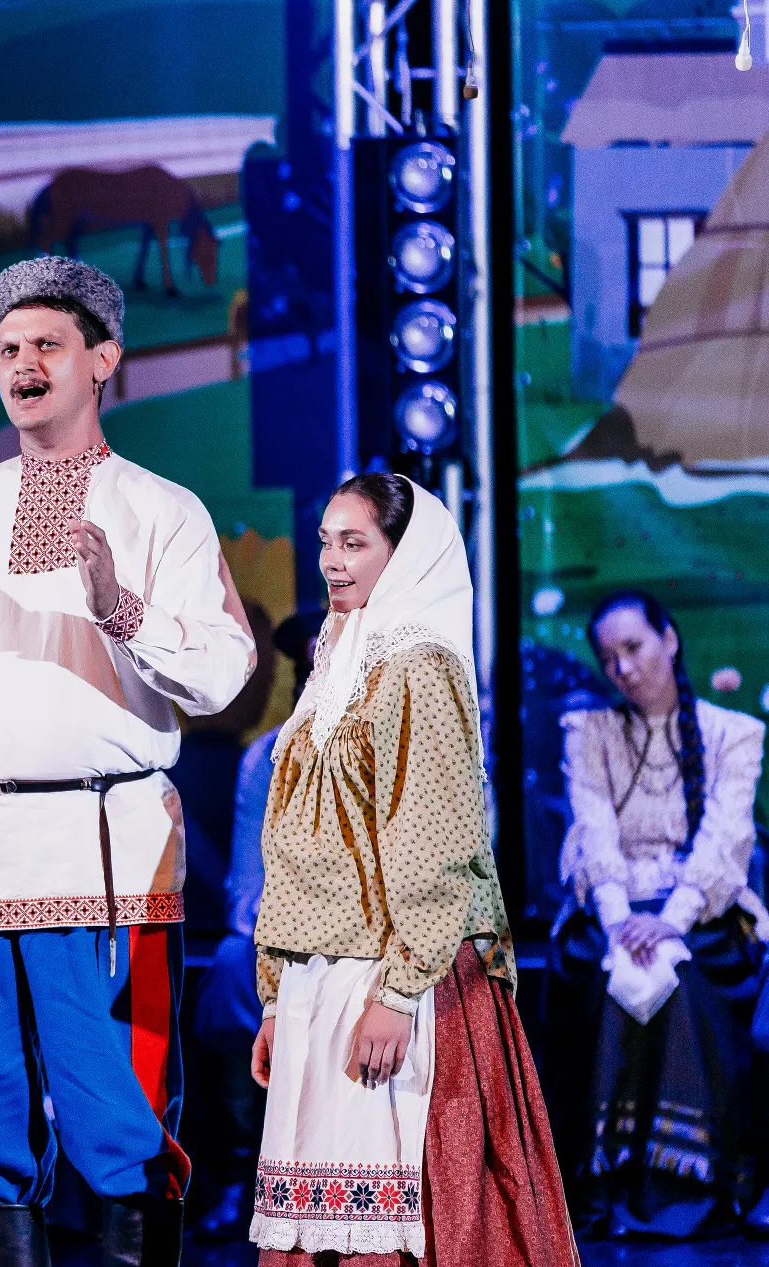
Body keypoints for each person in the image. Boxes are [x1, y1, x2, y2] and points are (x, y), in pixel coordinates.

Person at [0, 256, 256, 1267]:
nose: (23, 364)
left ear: (103, 360)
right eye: (7, 349)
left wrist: (120, 606)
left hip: (103, 848)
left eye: (47, 344)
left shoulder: (162, 509)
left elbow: (223, 673)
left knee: (118, 1110)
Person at [247, 474, 575, 1266]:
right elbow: (295, 839)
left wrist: (397, 995)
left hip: (402, 976)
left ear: (403, 555)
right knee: (319, 1215)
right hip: (321, 977)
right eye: (326, 541)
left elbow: (436, 836)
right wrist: (278, 994)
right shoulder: (338, 661)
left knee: (426, 1209)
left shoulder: (418, 666)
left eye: (354, 543)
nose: (331, 560)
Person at [552, 589, 766, 1238]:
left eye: (634, 647)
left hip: (703, 909)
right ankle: (605, 1180)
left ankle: (686, 1181)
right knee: (608, 974)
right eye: (609, 657)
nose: (623, 668)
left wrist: (673, 919)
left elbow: (724, 840)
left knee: (682, 979)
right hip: (613, 907)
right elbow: (594, 833)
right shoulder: (589, 733)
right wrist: (621, 921)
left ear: (669, 640)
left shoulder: (734, 733)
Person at [189, 609, 323, 1242]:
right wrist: (269, 940)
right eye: (310, 669)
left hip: (367, 939)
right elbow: (247, 879)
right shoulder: (267, 757)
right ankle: (241, 1172)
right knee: (230, 973)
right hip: (282, 931)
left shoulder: (395, 746)